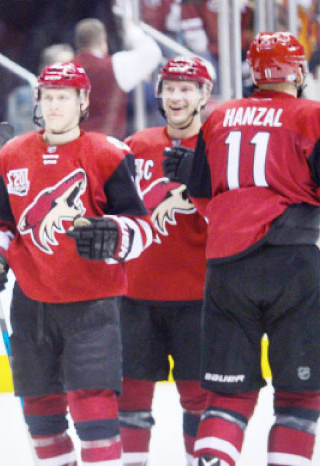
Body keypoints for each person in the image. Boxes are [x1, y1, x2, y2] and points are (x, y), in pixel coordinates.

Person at [0, 62, 153, 466]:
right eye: (47, 97)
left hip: (92, 303)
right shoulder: (11, 156)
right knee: (41, 413)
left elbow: (143, 230)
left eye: (63, 98)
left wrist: (114, 233)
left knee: (93, 412)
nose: (53, 106)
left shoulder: (108, 153)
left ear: (83, 101)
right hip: (32, 302)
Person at [163, 32, 320, 466]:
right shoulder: (313, 116)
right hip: (294, 261)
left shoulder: (219, 117)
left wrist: (238, 224)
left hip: (227, 267)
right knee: (299, 394)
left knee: (228, 394)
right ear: (298, 71)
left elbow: (201, 196)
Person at [118, 56, 213, 466]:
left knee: (198, 398)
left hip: (198, 298)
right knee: (131, 395)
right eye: (170, 87)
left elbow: (231, 218)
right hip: (136, 295)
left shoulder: (219, 146)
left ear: (204, 95)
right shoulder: (137, 146)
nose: (176, 96)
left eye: (186, 88)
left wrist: (202, 178)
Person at [73, 18, 161, 140]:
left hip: (76, 144)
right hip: (108, 145)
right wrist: (132, 31)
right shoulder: (116, 65)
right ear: (103, 41)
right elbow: (152, 53)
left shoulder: (66, 68)